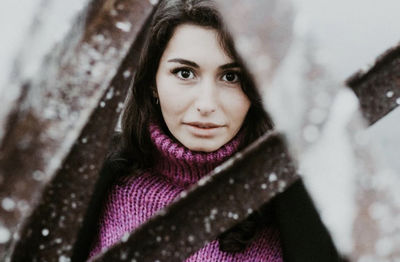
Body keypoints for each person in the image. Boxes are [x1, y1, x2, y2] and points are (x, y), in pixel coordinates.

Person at [87, 0, 282, 260]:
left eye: (231, 77)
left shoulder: (290, 192)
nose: (206, 104)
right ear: (152, 82)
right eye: (185, 73)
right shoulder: (95, 180)